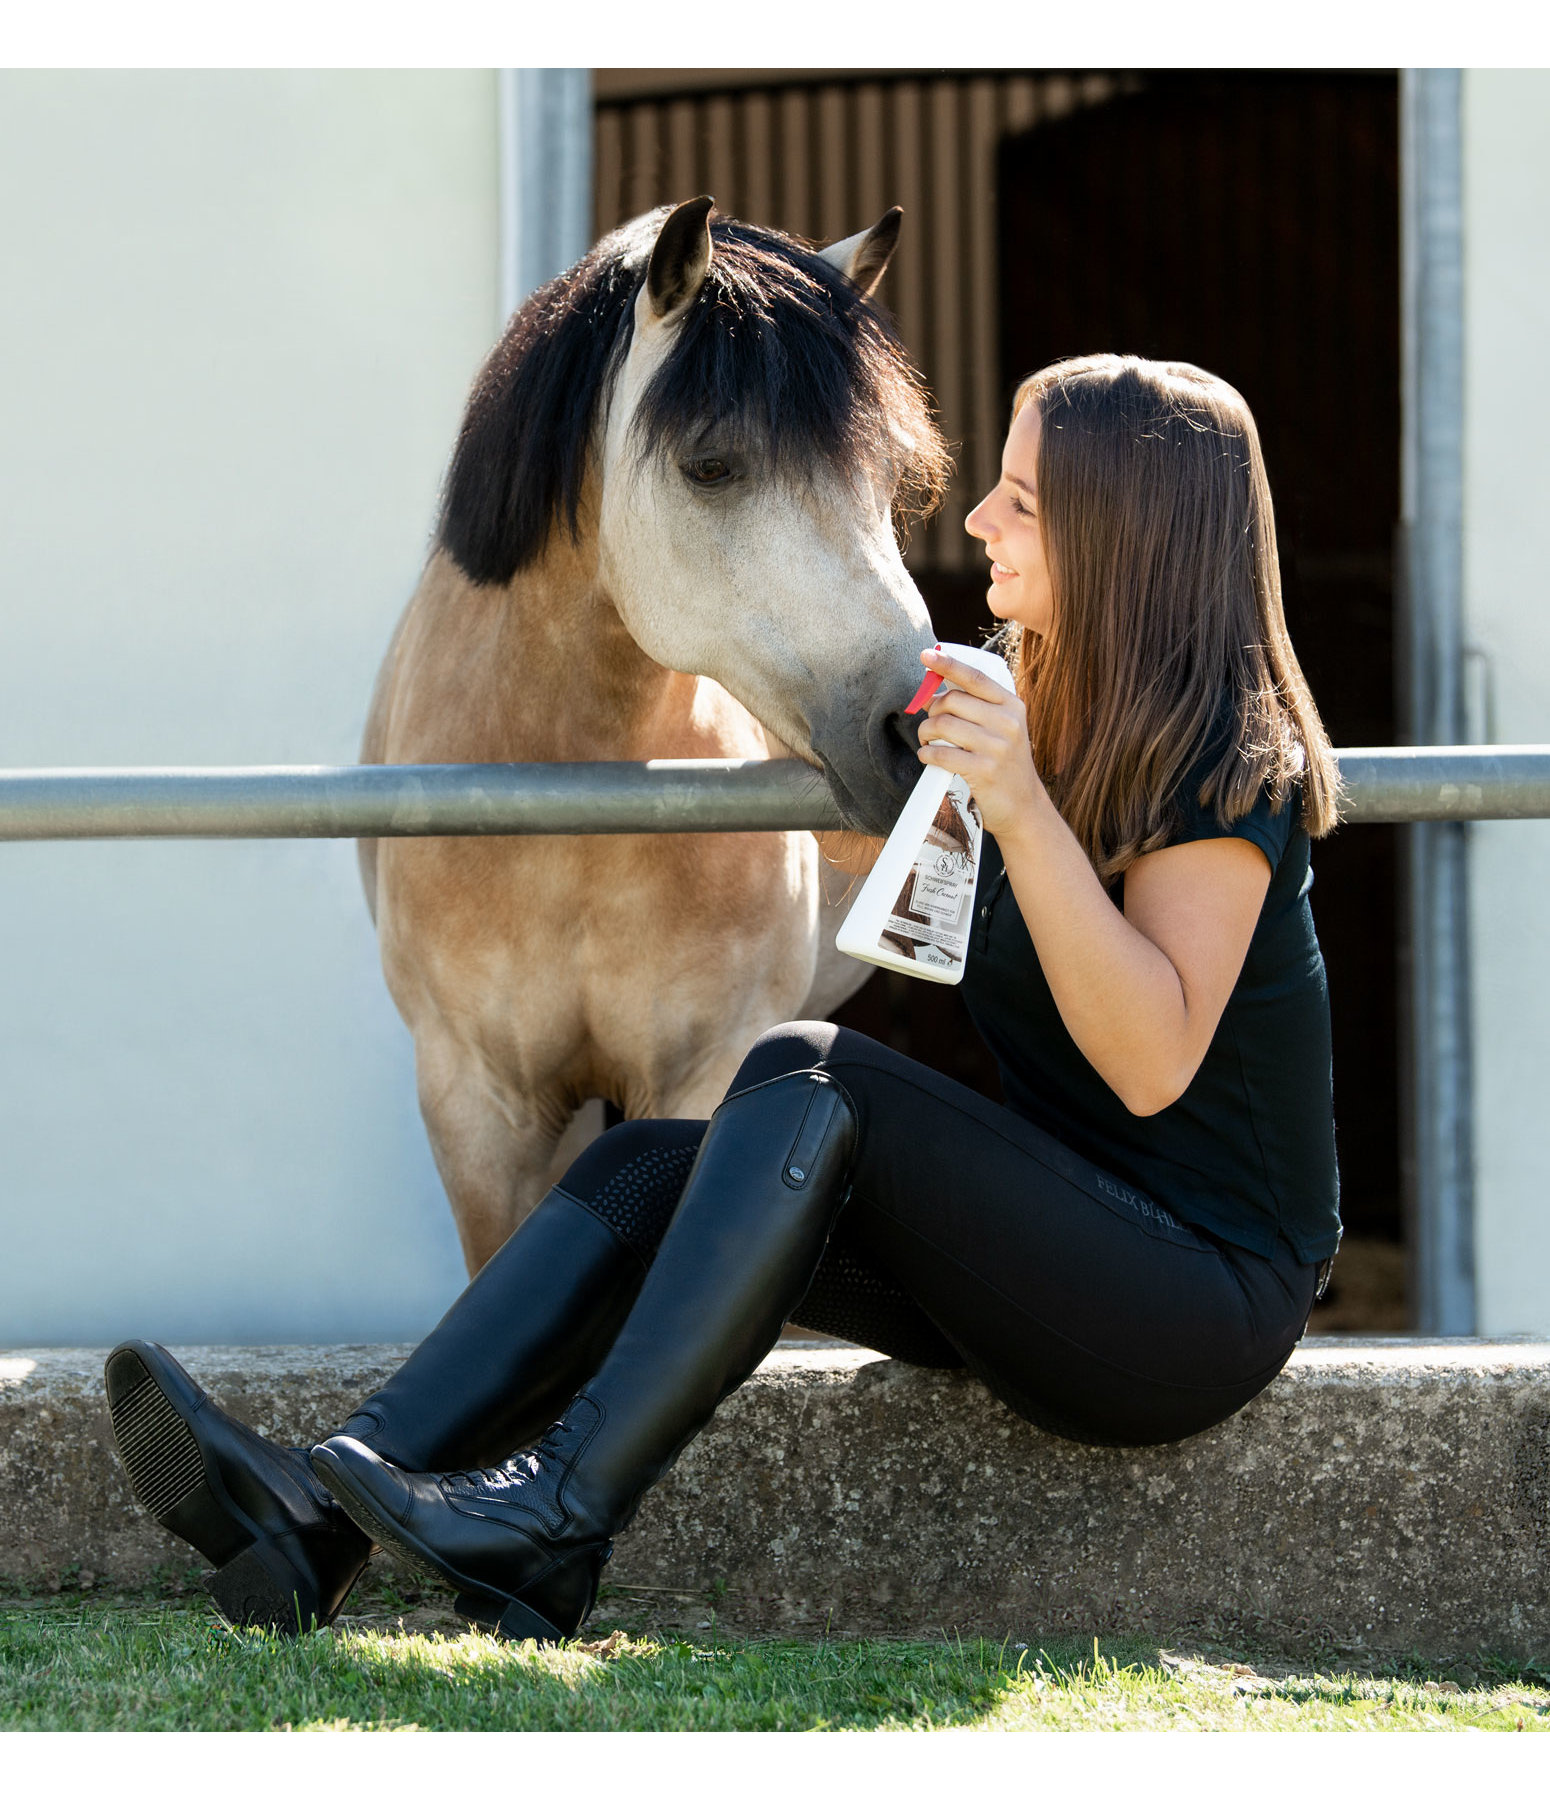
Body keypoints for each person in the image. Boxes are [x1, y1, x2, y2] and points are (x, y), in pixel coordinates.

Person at [105, 353, 1342, 1644]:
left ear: (1120, 531)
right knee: (647, 1166)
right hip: (1049, 1238)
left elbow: (1148, 1061)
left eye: (1018, 500)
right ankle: (319, 1509)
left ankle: (557, 1516)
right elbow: (892, 899)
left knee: (817, 1068)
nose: (973, 521)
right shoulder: (1033, 710)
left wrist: (1016, 805)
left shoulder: (1223, 757)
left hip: (1192, 1294)